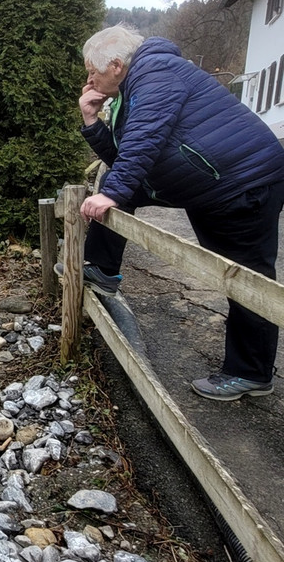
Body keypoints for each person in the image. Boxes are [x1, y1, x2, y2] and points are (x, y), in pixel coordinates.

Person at [75, 24, 284, 401]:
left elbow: (144, 138)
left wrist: (114, 192)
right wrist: (93, 122)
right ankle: (101, 268)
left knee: (248, 279)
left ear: (117, 65)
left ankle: (250, 373)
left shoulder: (156, 74)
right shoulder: (137, 85)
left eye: (93, 71)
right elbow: (125, 159)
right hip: (212, 186)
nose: (90, 80)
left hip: (245, 183)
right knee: (119, 187)